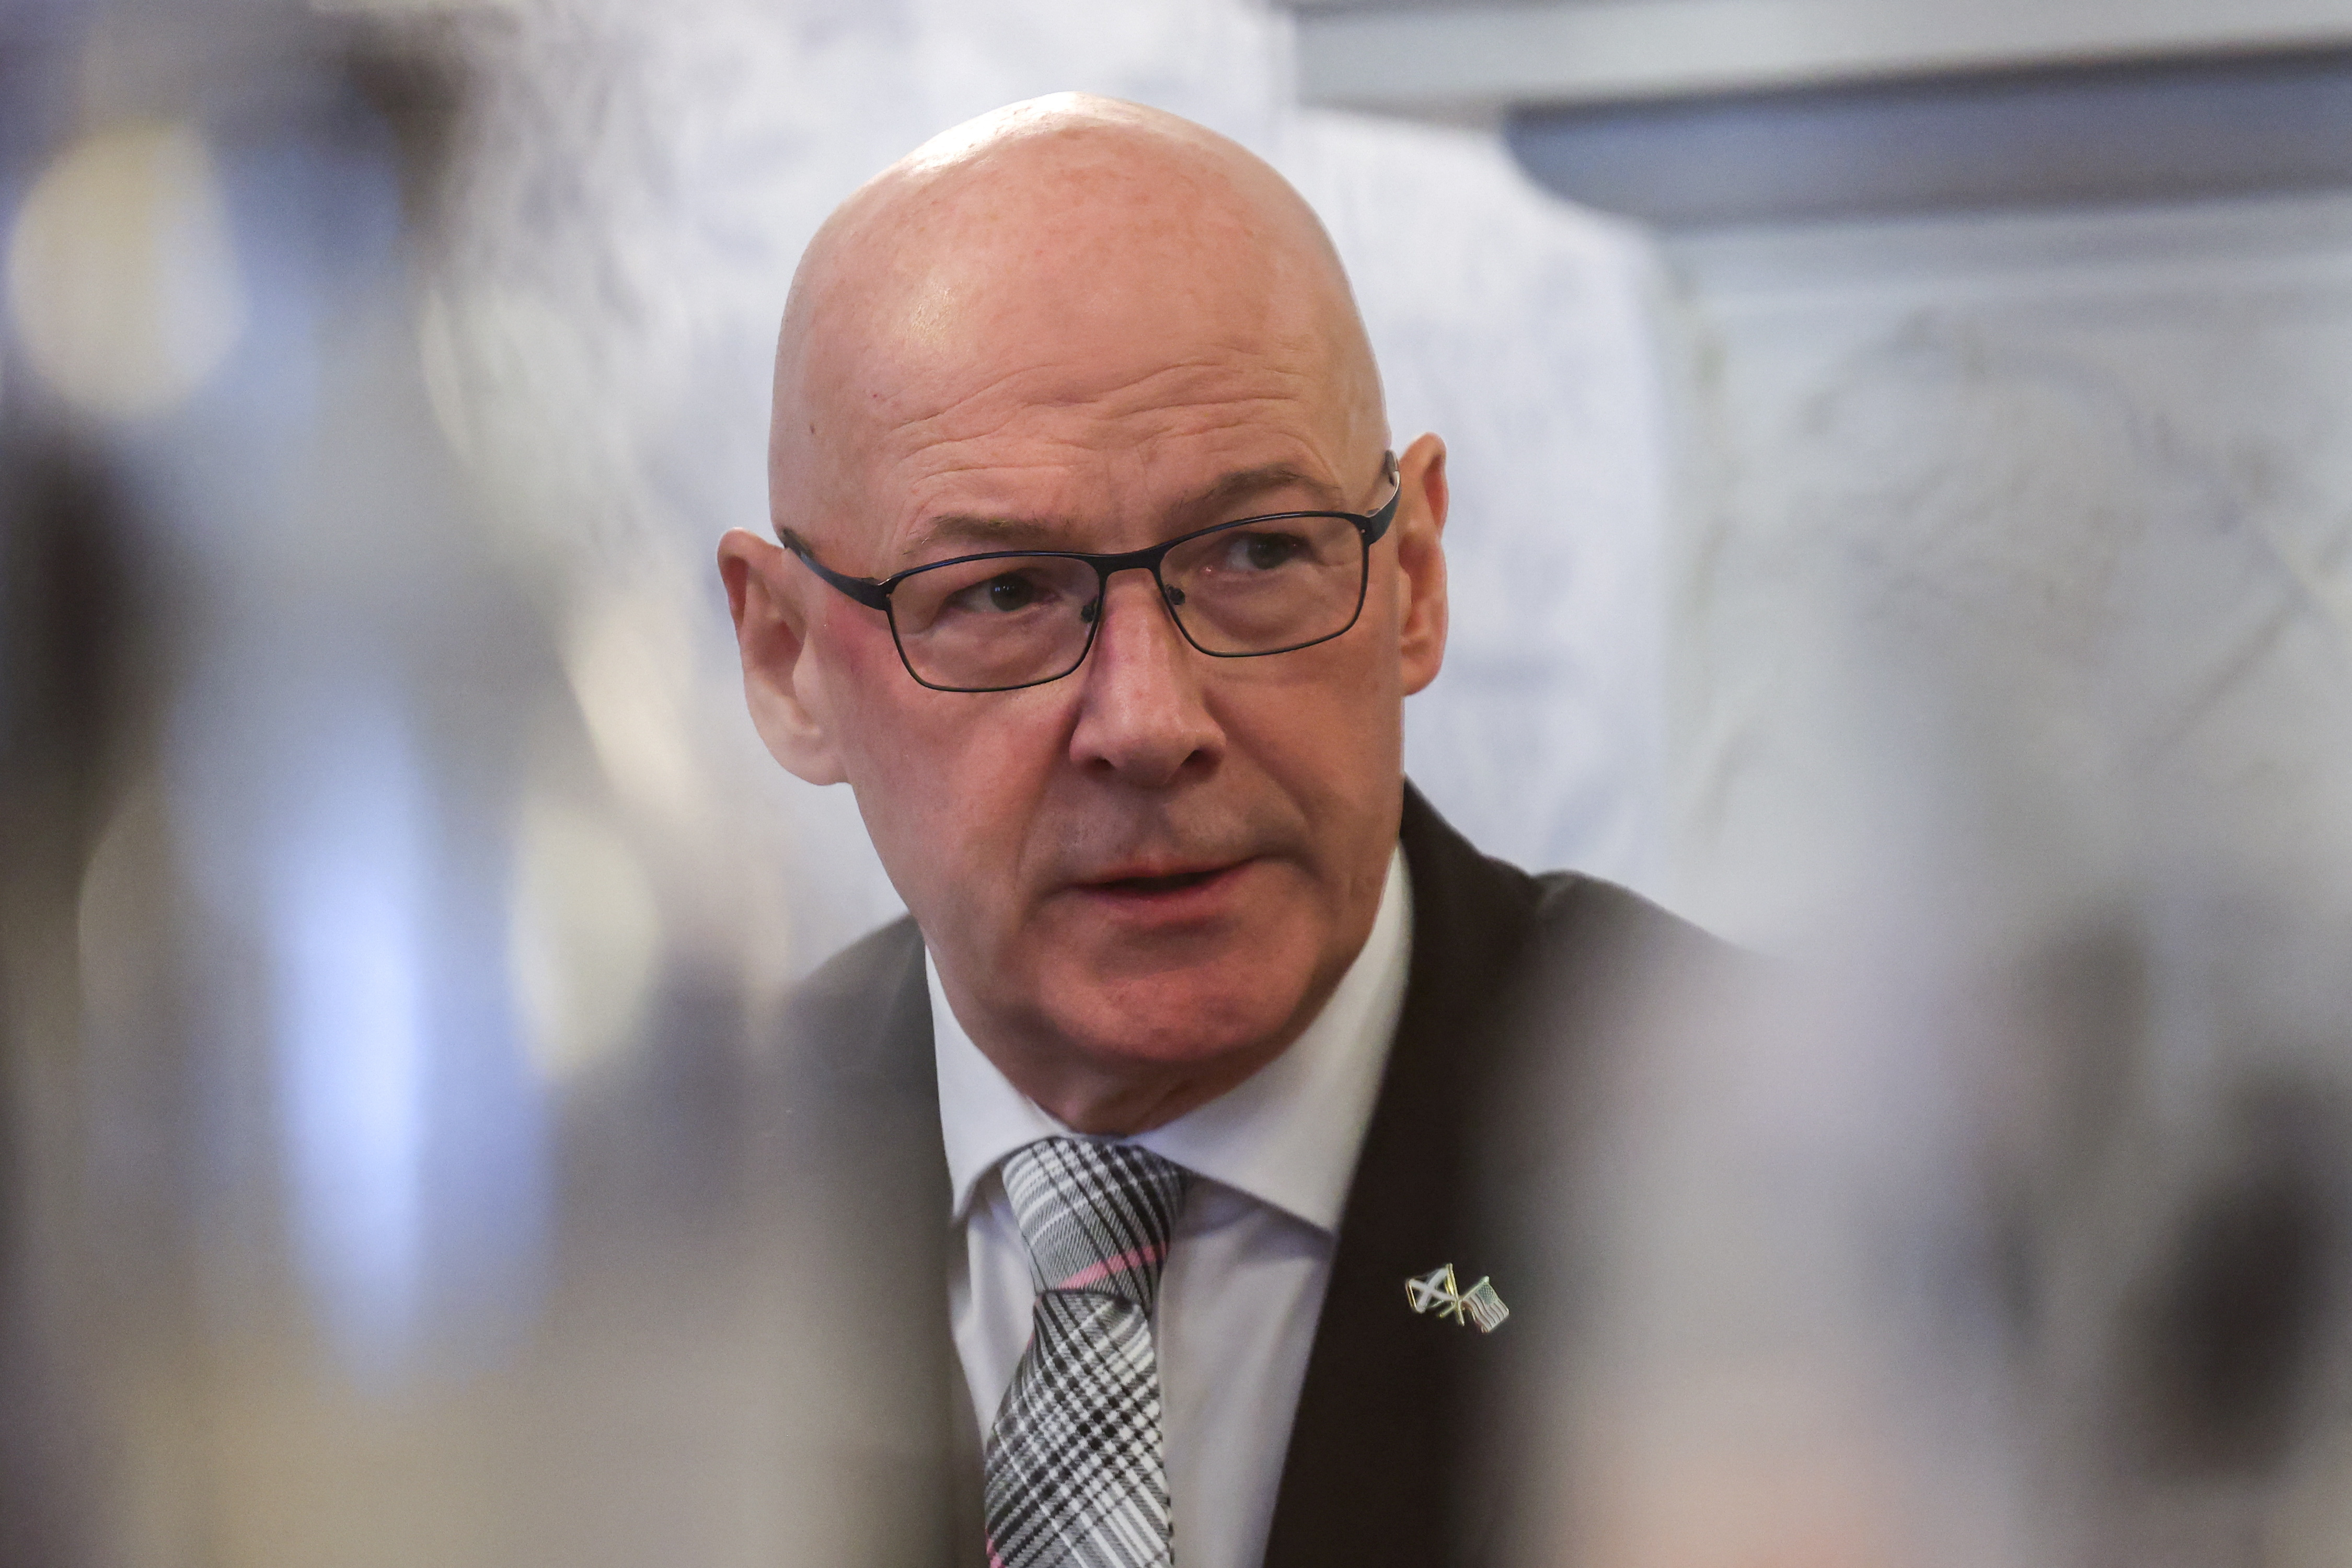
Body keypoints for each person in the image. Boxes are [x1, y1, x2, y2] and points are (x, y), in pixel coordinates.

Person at [716, 93, 1728, 1568]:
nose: (1147, 719)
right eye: (1001, 592)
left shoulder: (1772, 1165)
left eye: (1258, 554)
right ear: (787, 660)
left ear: (1416, 579)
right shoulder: (651, 1233)